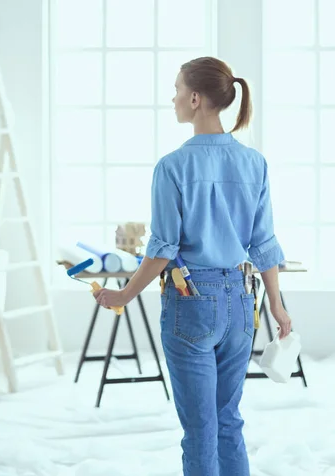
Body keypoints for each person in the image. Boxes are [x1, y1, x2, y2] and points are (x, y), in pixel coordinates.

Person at [93, 56, 293, 476]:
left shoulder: (172, 167)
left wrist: (125, 294)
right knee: (227, 422)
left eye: (178, 90)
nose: (174, 98)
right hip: (242, 303)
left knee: (200, 430)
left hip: (191, 303)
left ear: (197, 98)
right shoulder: (254, 163)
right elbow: (264, 244)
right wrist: (276, 305)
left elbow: (163, 248)